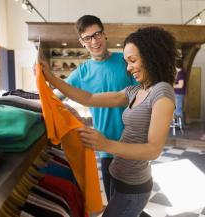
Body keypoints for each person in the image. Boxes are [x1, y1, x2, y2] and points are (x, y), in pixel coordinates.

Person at [41, 26, 177, 217]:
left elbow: (153, 150)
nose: (128, 68)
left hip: (133, 187)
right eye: (126, 62)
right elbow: (89, 98)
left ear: (151, 57)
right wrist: (51, 79)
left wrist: (106, 144)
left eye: (132, 60)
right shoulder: (135, 90)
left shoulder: (162, 93)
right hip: (118, 177)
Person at [58, 15, 137, 203]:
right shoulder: (81, 73)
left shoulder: (125, 61)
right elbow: (56, 96)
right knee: (114, 203)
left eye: (97, 34)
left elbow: (143, 95)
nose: (94, 41)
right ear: (82, 42)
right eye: (88, 38)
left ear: (104, 34)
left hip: (133, 143)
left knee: (133, 200)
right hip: (105, 147)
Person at [173, 58, 186, 127]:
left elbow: (180, 85)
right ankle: (178, 124)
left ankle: (180, 125)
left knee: (178, 109)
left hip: (179, 94)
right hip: (177, 94)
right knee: (177, 109)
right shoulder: (179, 73)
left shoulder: (181, 74)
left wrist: (172, 85)